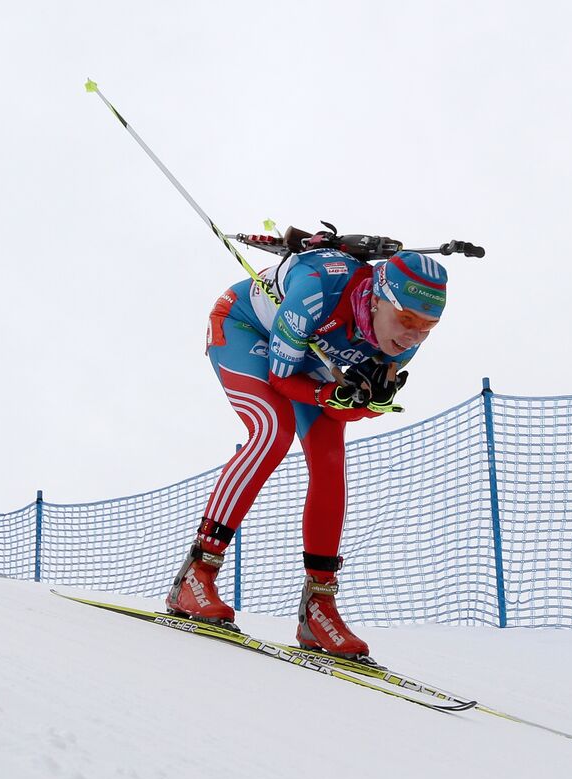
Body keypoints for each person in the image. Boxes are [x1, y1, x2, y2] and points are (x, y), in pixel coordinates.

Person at [165, 245, 448, 660]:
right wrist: (330, 394)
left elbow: (356, 412)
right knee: (272, 430)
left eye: (427, 327)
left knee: (331, 462)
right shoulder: (315, 290)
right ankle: (197, 573)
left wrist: (362, 402)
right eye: (407, 319)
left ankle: (319, 606)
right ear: (378, 297)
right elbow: (281, 381)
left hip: (308, 360)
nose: (412, 335)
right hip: (246, 329)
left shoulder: (404, 341)